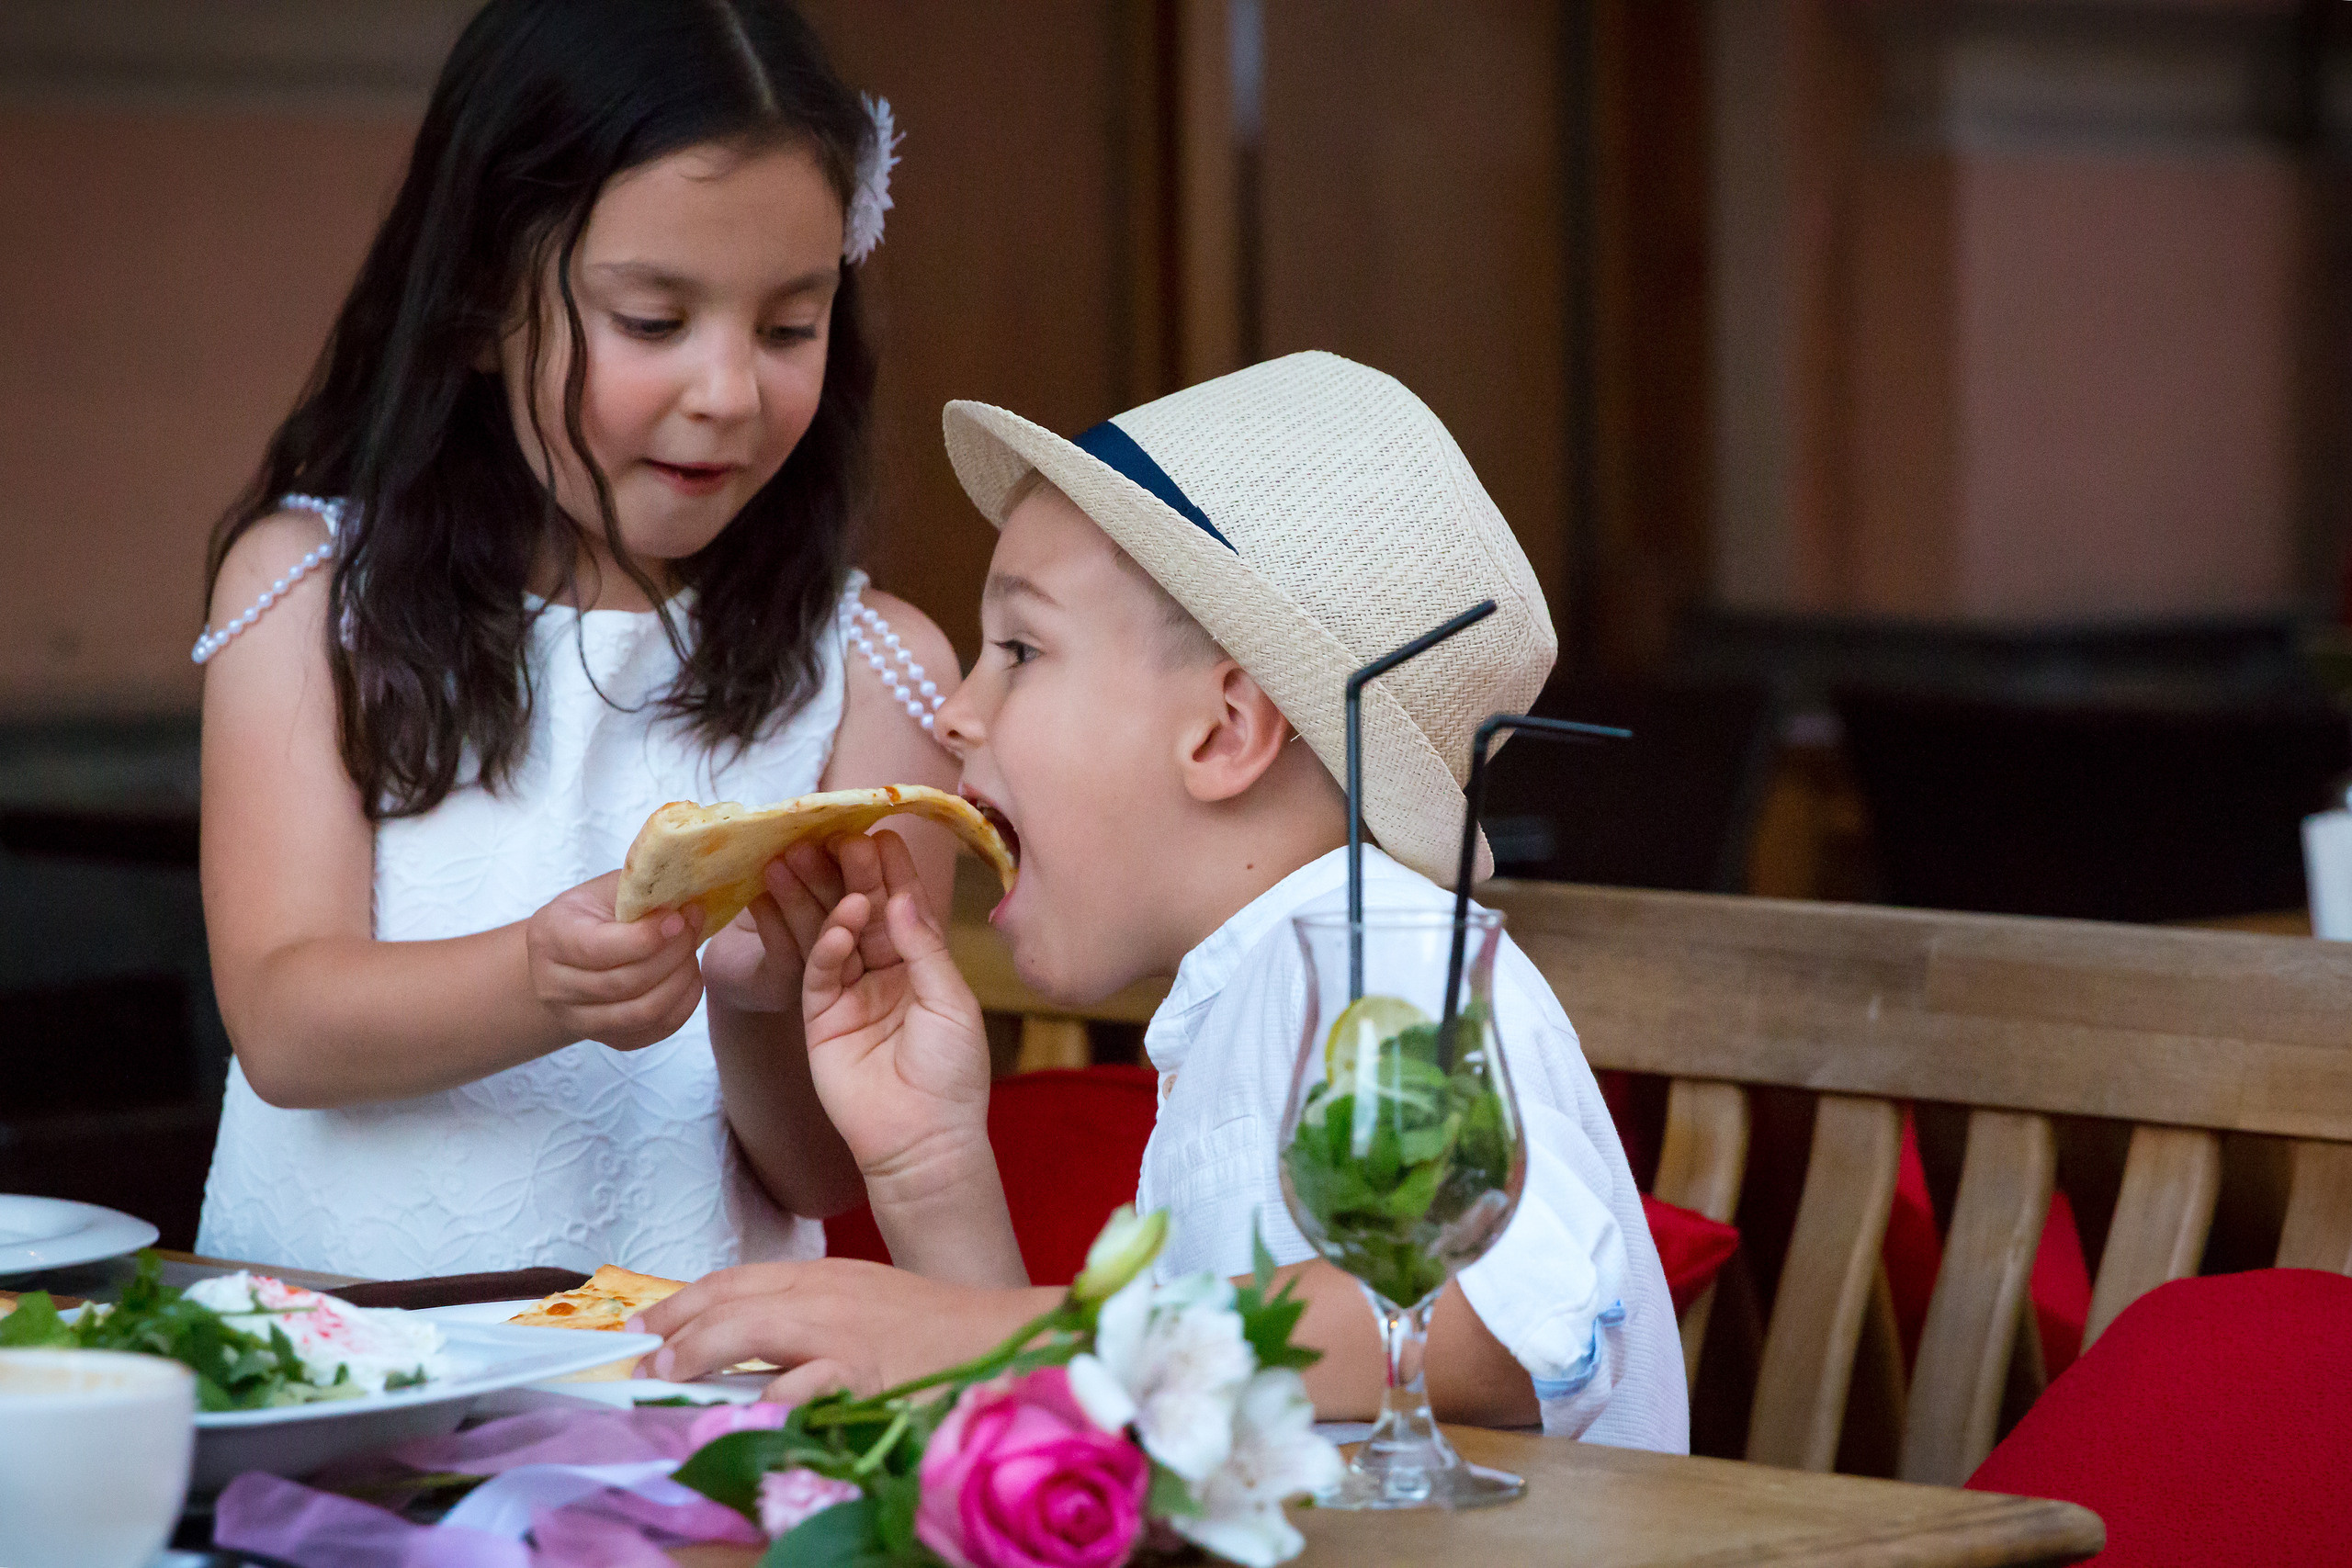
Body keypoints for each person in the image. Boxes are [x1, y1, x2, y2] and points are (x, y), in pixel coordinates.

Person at [641, 352, 1688, 1447]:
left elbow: (1499, 1319)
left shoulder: (1373, 954)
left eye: (1021, 649)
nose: (953, 714)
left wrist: (998, 1342)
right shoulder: (1249, 997)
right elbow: (1084, 1420)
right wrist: (929, 1160)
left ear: (1223, 731)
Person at [192, 0, 960, 1280]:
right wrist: (539, 980)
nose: (728, 391)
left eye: (789, 325)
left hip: (690, 1414)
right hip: (337, 1381)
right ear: (485, 291)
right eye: (654, 322)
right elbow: (285, 1021)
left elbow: (826, 1170)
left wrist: (761, 1004)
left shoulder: (880, 672)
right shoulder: (312, 587)